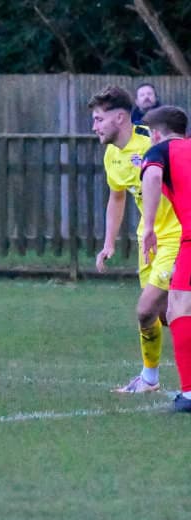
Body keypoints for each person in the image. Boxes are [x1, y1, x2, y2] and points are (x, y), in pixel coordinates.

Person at [89, 86, 181, 394]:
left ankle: (149, 377)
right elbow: (117, 198)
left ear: (120, 118)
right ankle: (149, 380)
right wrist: (109, 243)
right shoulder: (111, 156)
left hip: (177, 236)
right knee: (162, 314)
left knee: (145, 309)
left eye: (99, 119)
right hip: (149, 240)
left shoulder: (152, 139)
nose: (94, 127)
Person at [139, 105, 191, 411]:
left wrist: (148, 226)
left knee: (179, 309)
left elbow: (154, 176)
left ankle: (189, 394)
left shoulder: (159, 151)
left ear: (157, 133)